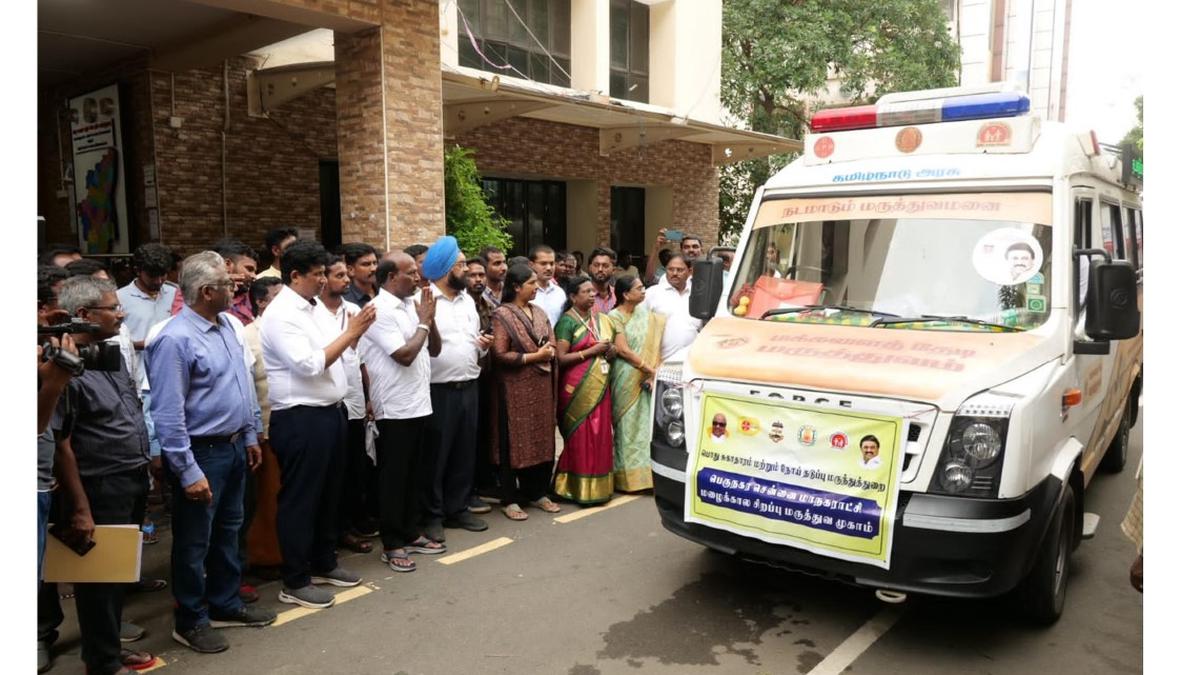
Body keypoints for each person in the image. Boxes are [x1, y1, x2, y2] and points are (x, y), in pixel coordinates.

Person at [145, 252, 276, 654]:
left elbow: (242, 386)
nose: (235, 287)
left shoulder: (226, 326)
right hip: (202, 454)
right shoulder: (174, 339)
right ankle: (191, 619)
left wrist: (251, 434)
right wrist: (186, 471)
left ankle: (224, 602)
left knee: (228, 532)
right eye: (227, 284)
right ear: (206, 292)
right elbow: (168, 414)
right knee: (193, 542)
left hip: (235, 447)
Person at [44, 276, 156, 674]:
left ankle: (107, 647)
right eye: (113, 308)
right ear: (84, 315)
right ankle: (102, 661)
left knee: (117, 574)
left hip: (130, 475)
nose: (121, 313)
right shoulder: (61, 368)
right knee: (97, 579)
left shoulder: (109, 353)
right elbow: (62, 443)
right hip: (98, 483)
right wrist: (79, 506)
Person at [260, 240, 377, 609]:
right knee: (301, 499)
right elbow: (310, 364)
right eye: (317, 275)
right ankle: (294, 579)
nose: (323, 281)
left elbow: (341, 352)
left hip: (331, 411)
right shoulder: (282, 314)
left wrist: (349, 334)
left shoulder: (315, 309)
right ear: (294, 275)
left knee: (331, 493)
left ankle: (325, 561)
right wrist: (352, 331)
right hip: (300, 416)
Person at [360, 250, 446, 571]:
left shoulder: (412, 305)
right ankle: (392, 543)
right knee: (394, 479)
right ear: (390, 277)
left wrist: (429, 320)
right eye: (410, 272)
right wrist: (423, 322)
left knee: (414, 475)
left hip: (419, 403)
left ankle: (411, 533)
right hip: (394, 408)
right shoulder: (379, 310)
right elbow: (404, 355)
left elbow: (434, 349)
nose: (417, 277)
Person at [421, 237, 493, 540]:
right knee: (437, 455)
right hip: (438, 390)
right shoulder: (424, 300)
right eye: (461, 265)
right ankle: (433, 515)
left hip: (469, 385)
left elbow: (471, 341)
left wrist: (482, 347)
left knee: (465, 451)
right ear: (445, 269)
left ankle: (458, 508)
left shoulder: (467, 302)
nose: (467, 270)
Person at [489, 264, 559, 520]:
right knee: (513, 442)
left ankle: (538, 492)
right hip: (514, 390)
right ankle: (510, 499)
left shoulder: (540, 312)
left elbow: (550, 340)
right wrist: (534, 356)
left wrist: (548, 351)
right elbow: (499, 353)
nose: (536, 288)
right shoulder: (502, 315)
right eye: (531, 283)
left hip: (540, 388)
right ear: (516, 287)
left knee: (541, 437)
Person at [317, 255, 375, 556]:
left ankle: (348, 526)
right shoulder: (313, 314)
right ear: (323, 278)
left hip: (353, 399)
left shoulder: (353, 310)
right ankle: (332, 531)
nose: (345, 280)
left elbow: (361, 359)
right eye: (339, 274)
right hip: (328, 401)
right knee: (332, 473)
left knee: (354, 469)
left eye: (345, 275)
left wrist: (367, 397)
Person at [553, 275, 616, 505]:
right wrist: (591, 351)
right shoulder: (567, 322)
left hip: (600, 384)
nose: (592, 295)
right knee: (580, 436)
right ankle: (572, 487)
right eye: (586, 292)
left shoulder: (600, 319)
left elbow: (611, 349)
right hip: (575, 387)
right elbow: (561, 358)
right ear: (572, 296)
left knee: (600, 435)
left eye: (593, 292)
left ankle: (599, 488)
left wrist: (609, 352)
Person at [607, 275, 663, 492]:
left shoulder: (646, 315)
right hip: (626, 375)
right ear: (625, 294)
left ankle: (646, 478)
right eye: (639, 288)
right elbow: (622, 349)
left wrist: (651, 372)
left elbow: (655, 344)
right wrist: (648, 369)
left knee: (645, 427)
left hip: (647, 376)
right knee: (627, 426)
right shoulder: (614, 316)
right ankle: (625, 479)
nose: (644, 291)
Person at [465, 257, 497, 513]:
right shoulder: (460, 304)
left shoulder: (488, 305)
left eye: (480, 275)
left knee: (484, 433)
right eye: (472, 275)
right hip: (465, 378)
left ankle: (484, 483)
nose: (477, 279)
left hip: (486, 376)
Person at [117, 243, 177, 351]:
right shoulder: (119, 298)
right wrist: (140, 345)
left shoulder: (175, 295)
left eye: (163, 274)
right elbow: (115, 341)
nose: (158, 281)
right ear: (137, 271)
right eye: (152, 276)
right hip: (139, 366)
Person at [643, 254, 702, 361]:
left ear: (690, 272)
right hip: (659, 364)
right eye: (670, 269)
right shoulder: (652, 293)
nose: (674, 273)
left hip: (692, 362)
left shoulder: (698, 294)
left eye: (680, 270)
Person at [529, 244, 567, 327]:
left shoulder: (560, 293)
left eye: (552, 263)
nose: (549, 268)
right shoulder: (525, 292)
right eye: (543, 263)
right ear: (531, 265)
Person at [341, 242, 378, 308]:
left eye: (375, 263)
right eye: (366, 264)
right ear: (350, 270)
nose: (373, 269)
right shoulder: (344, 300)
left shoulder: (384, 292)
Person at [588, 247, 618, 314]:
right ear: (590, 268)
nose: (600, 269)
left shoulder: (618, 295)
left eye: (605, 266)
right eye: (596, 265)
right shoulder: (581, 296)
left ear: (613, 270)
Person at [479, 246, 507, 311]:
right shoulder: (477, 293)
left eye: (504, 262)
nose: (504, 268)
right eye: (497, 263)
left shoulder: (511, 290)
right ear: (484, 266)